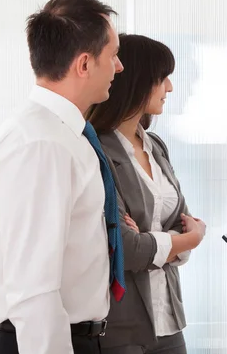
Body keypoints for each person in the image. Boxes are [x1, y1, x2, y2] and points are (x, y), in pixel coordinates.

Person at [0, 0, 125, 354]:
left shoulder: (61, 133)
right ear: (84, 64)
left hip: (71, 337)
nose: (119, 67)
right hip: (41, 342)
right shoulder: (42, 143)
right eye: (113, 55)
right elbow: (34, 290)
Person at [86, 34, 206, 354]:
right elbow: (124, 247)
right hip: (122, 327)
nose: (169, 87)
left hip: (168, 320)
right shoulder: (96, 150)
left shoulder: (156, 147)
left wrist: (161, 241)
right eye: (162, 78)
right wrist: (185, 241)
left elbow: (183, 221)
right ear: (137, 82)